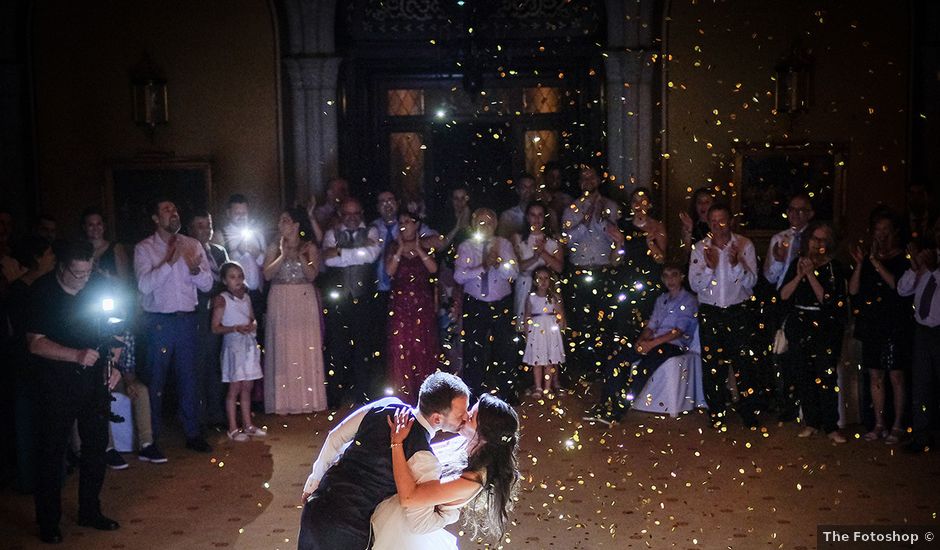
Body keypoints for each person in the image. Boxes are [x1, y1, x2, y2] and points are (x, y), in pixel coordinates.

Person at [298, 372, 471, 550]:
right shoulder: (424, 458)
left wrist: (313, 483)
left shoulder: (386, 404)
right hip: (348, 528)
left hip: (317, 506)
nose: (466, 417)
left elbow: (335, 438)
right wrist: (453, 512)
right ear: (437, 419)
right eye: (460, 415)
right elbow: (420, 523)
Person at [27, 240, 123, 544]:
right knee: (52, 452)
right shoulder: (41, 292)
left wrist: (115, 365)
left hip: (94, 382)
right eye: (77, 274)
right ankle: (48, 521)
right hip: (55, 383)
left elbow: (116, 329)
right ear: (62, 267)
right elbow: (35, 342)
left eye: (87, 273)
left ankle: (90, 510)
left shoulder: (97, 286)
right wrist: (76, 355)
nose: (83, 280)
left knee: (95, 447)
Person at [376, 393, 521, 549]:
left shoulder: (471, 481)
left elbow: (409, 498)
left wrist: (396, 443)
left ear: (484, 435)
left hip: (403, 532)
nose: (464, 417)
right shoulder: (468, 445)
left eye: (471, 417)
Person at [134, 198, 214, 453]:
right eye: (167, 210)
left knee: (189, 378)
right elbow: (144, 286)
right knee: (156, 380)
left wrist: (193, 269)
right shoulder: (144, 248)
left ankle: (193, 433)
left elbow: (208, 285)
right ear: (156, 219)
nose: (173, 213)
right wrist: (169, 262)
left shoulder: (192, 245)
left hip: (188, 320)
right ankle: (151, 438)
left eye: (175, 209)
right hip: (160, 321)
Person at [586, 263, 698, 423]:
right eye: (666, 276)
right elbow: (652, 324)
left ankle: (618, 411)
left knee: (642, 369)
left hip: (673, 344)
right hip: (654, 340)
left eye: (674, 274)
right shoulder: (662, 299)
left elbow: (678, 331)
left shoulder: (689, 300)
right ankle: (605, 405)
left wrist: (651, 344)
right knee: (616, 361)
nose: (670, 279)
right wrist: (642, 340)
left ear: (681, 277)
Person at [689, 203, 762, 429]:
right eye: (713, 221)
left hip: (737, 312)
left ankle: (749, 411)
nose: (718, 226)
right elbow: (694, 285)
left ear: (730, 221)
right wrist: (710, 268)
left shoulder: (744, 245)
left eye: (722, 221)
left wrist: (735, 264)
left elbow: (752, 283)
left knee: (744, 365)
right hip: (711, 312)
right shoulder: (700, 248)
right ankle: (717, 412)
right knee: (713, 366)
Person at [779, 221, 848, 444]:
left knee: (826, 377)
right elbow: (784, 295)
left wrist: (811, 275)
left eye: (822, 240)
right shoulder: (796, 263)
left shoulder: (834, 268)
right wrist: (800, 274)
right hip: (800, 324)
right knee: (803, 376)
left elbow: (829, 300)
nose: (817, 244)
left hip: (825, 327)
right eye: (813, 239)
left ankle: (831, 426)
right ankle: (811, 422)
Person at [849, 209, 911, 444]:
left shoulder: (902, 258)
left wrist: (874, 261)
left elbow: (897, 286)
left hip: (895, 323)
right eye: (878, 230)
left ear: (894, 231)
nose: (881, 234)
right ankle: (879, 423)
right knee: (875, 374)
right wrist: (860, 264)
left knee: (896, 375)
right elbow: (854, 291)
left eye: (886, 230)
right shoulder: (866, 259)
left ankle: (898, 424)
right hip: (872, 322)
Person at [263, 207, 326, 414]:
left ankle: (308, 400)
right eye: (280, 220)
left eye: (286, 220)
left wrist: (300, 257)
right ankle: (282, 401)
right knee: (282, 347)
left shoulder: (309, 247)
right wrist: (282, 254)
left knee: (304, 344)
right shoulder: (273, 246)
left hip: (303, 298)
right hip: (280, 298)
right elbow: (267, 274)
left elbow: (312, 275)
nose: (282, 224)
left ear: (296, 225)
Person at [320, 198, 383, 406]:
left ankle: (363, 394)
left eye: (356, 213)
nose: (352, 218)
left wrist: (341, 252)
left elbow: (371, 256)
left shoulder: (372, 232)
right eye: (348, 214)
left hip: (364, 299)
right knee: (337, 346)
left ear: (361, 213)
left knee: (363, 347)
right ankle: (337, 395)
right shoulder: (332, 233)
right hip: (339, 300)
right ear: (341, 214)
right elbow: (328, 259)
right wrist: (357, 252)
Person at [454, 208, 520, 400]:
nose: (485, 226)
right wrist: (482, 266)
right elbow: (459, 276)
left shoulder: (504, 244)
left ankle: (506, 391)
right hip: (475, 303)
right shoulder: (466, 247)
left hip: (501, 303)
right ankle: (472, 393)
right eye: (481, 222)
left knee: (505, 347)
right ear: (474, 225)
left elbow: (514, 272)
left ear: (496, 224)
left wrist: (498, 263)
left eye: (489, 222)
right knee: (474, 349)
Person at [560, 164, 619, 375]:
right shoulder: (571, 209)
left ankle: (604, 366)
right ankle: (584, 367)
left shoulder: (611, 206)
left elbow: (617, 237)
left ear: (598, 180)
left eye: (591, 177)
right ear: (579, 183)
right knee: (582, 322)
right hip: (580, 271)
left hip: (604, 270)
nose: (588, 182)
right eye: (583, 178)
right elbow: (566, 241)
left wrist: (603, 219)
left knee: (604, 320)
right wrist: (585, 221)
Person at [8, 236, 55, 493]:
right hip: (26, 360)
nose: (54, 259)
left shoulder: (42, 286)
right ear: (37, 258)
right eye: (49, 254)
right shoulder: (20, 290)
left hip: (43, 359)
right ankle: (30, 479)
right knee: (27, 419)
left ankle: (50, 472)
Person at [763, 193, 815, 423]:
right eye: (792, 210)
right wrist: (778, 259)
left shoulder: (816, 238)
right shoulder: (779, 238)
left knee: (805, 355)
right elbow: (771, 276)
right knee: (781, 352)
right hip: (784, 297)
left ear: (810, 213)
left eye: (801, 210)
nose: (795, 214)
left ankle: (809, 405)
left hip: (809, 298)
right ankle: (786, 402)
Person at [386, 210, 441, 398]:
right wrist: (401, 250)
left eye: (407, 221)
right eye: (401, 221)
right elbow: (389, 271)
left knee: (423, 344)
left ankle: (425, 392)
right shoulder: (394, 246)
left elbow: (433, 269)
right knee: (402, 345)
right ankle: (404, 391)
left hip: (422, 303)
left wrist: (418, 249)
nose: (403, 224)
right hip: (401, 304)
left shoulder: (426, 244)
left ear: (416, 224)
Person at [898, 217, 940, 454]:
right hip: (922, 330)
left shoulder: (933, 262)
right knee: (921, 384)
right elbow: (903, 290)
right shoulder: (927, 257)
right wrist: (915, 269)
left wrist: (935, 270)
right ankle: (921, 436)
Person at [212, 262, 265, 441]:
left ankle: (248, 424)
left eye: (240, 276)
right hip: (234, 346)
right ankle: (233, 427)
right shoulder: (222, 299)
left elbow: (252, 318)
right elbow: (215, 327)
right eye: (233, 277)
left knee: (247, 386)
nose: (238, 280)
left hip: (248, 344)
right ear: (225, 280)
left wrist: (252, 326)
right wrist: (235, 328)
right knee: (235, 387)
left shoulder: (246, 297)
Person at [189, 211, 230, 429]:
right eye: (200, 225)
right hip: (198, 312)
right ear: (191, 229)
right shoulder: (189, 251)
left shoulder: (219, 251)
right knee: (201, 364)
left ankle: (218, 413)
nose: (205, 230)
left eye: (208, 225)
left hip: (219, 311)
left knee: (217, 363)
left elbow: (227, 278)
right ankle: (201, 416)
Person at [511, 201, 562, 324]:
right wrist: (534, 258)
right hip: (525, 285)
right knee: (525, 323)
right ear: (527, 217)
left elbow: (559, 267)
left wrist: (543, 253)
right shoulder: (518, 238)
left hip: (548, 286)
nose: (537, 219)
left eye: (540, 215)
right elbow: (517, 267)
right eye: (533, 215)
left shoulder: (553, 240)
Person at [220, 194, 267, 325]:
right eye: (237, 213)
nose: (241, 216)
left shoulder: (257, 234)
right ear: (229, 213)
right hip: (233, 294)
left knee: (257, 333)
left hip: (256, 293)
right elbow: (221, 263)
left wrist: (257, 253)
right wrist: (238, 251)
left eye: (244, 213)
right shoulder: (223, 234)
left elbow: (266, 262)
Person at [521, 266, 566, 395]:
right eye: (539, 278)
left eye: (546, 278)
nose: (543, 281)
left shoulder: (554, 297)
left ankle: (548, 387)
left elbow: (560, 313)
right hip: (536, 330)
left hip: (550, 330)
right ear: (535, 281)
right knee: (537, 360)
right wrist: (527, 332)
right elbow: (527, 315)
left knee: (549, 360)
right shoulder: (531, 297)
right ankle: (538, 387)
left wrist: (560, 328)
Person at [81, 207, 130, 281]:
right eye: (91, 225)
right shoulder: (80, 249)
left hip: (111, 290)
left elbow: (125, 280)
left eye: (99, 224)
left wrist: (103, 274)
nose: (95, 228)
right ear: (84, 227)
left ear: (103, 226)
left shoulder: (116, 248)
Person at [497, 173, 536, 239]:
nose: (528, 191)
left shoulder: (543, 213)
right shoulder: (507, 216)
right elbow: (502, 241)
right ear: (517, 190)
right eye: (524, 187)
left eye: (531, 187)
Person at [678, 186, 714, 252]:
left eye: (707, 202)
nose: (703, 205)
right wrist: (688, 232)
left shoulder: (718, 225)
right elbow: (686, 252)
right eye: (699, 202)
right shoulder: (690, 224)